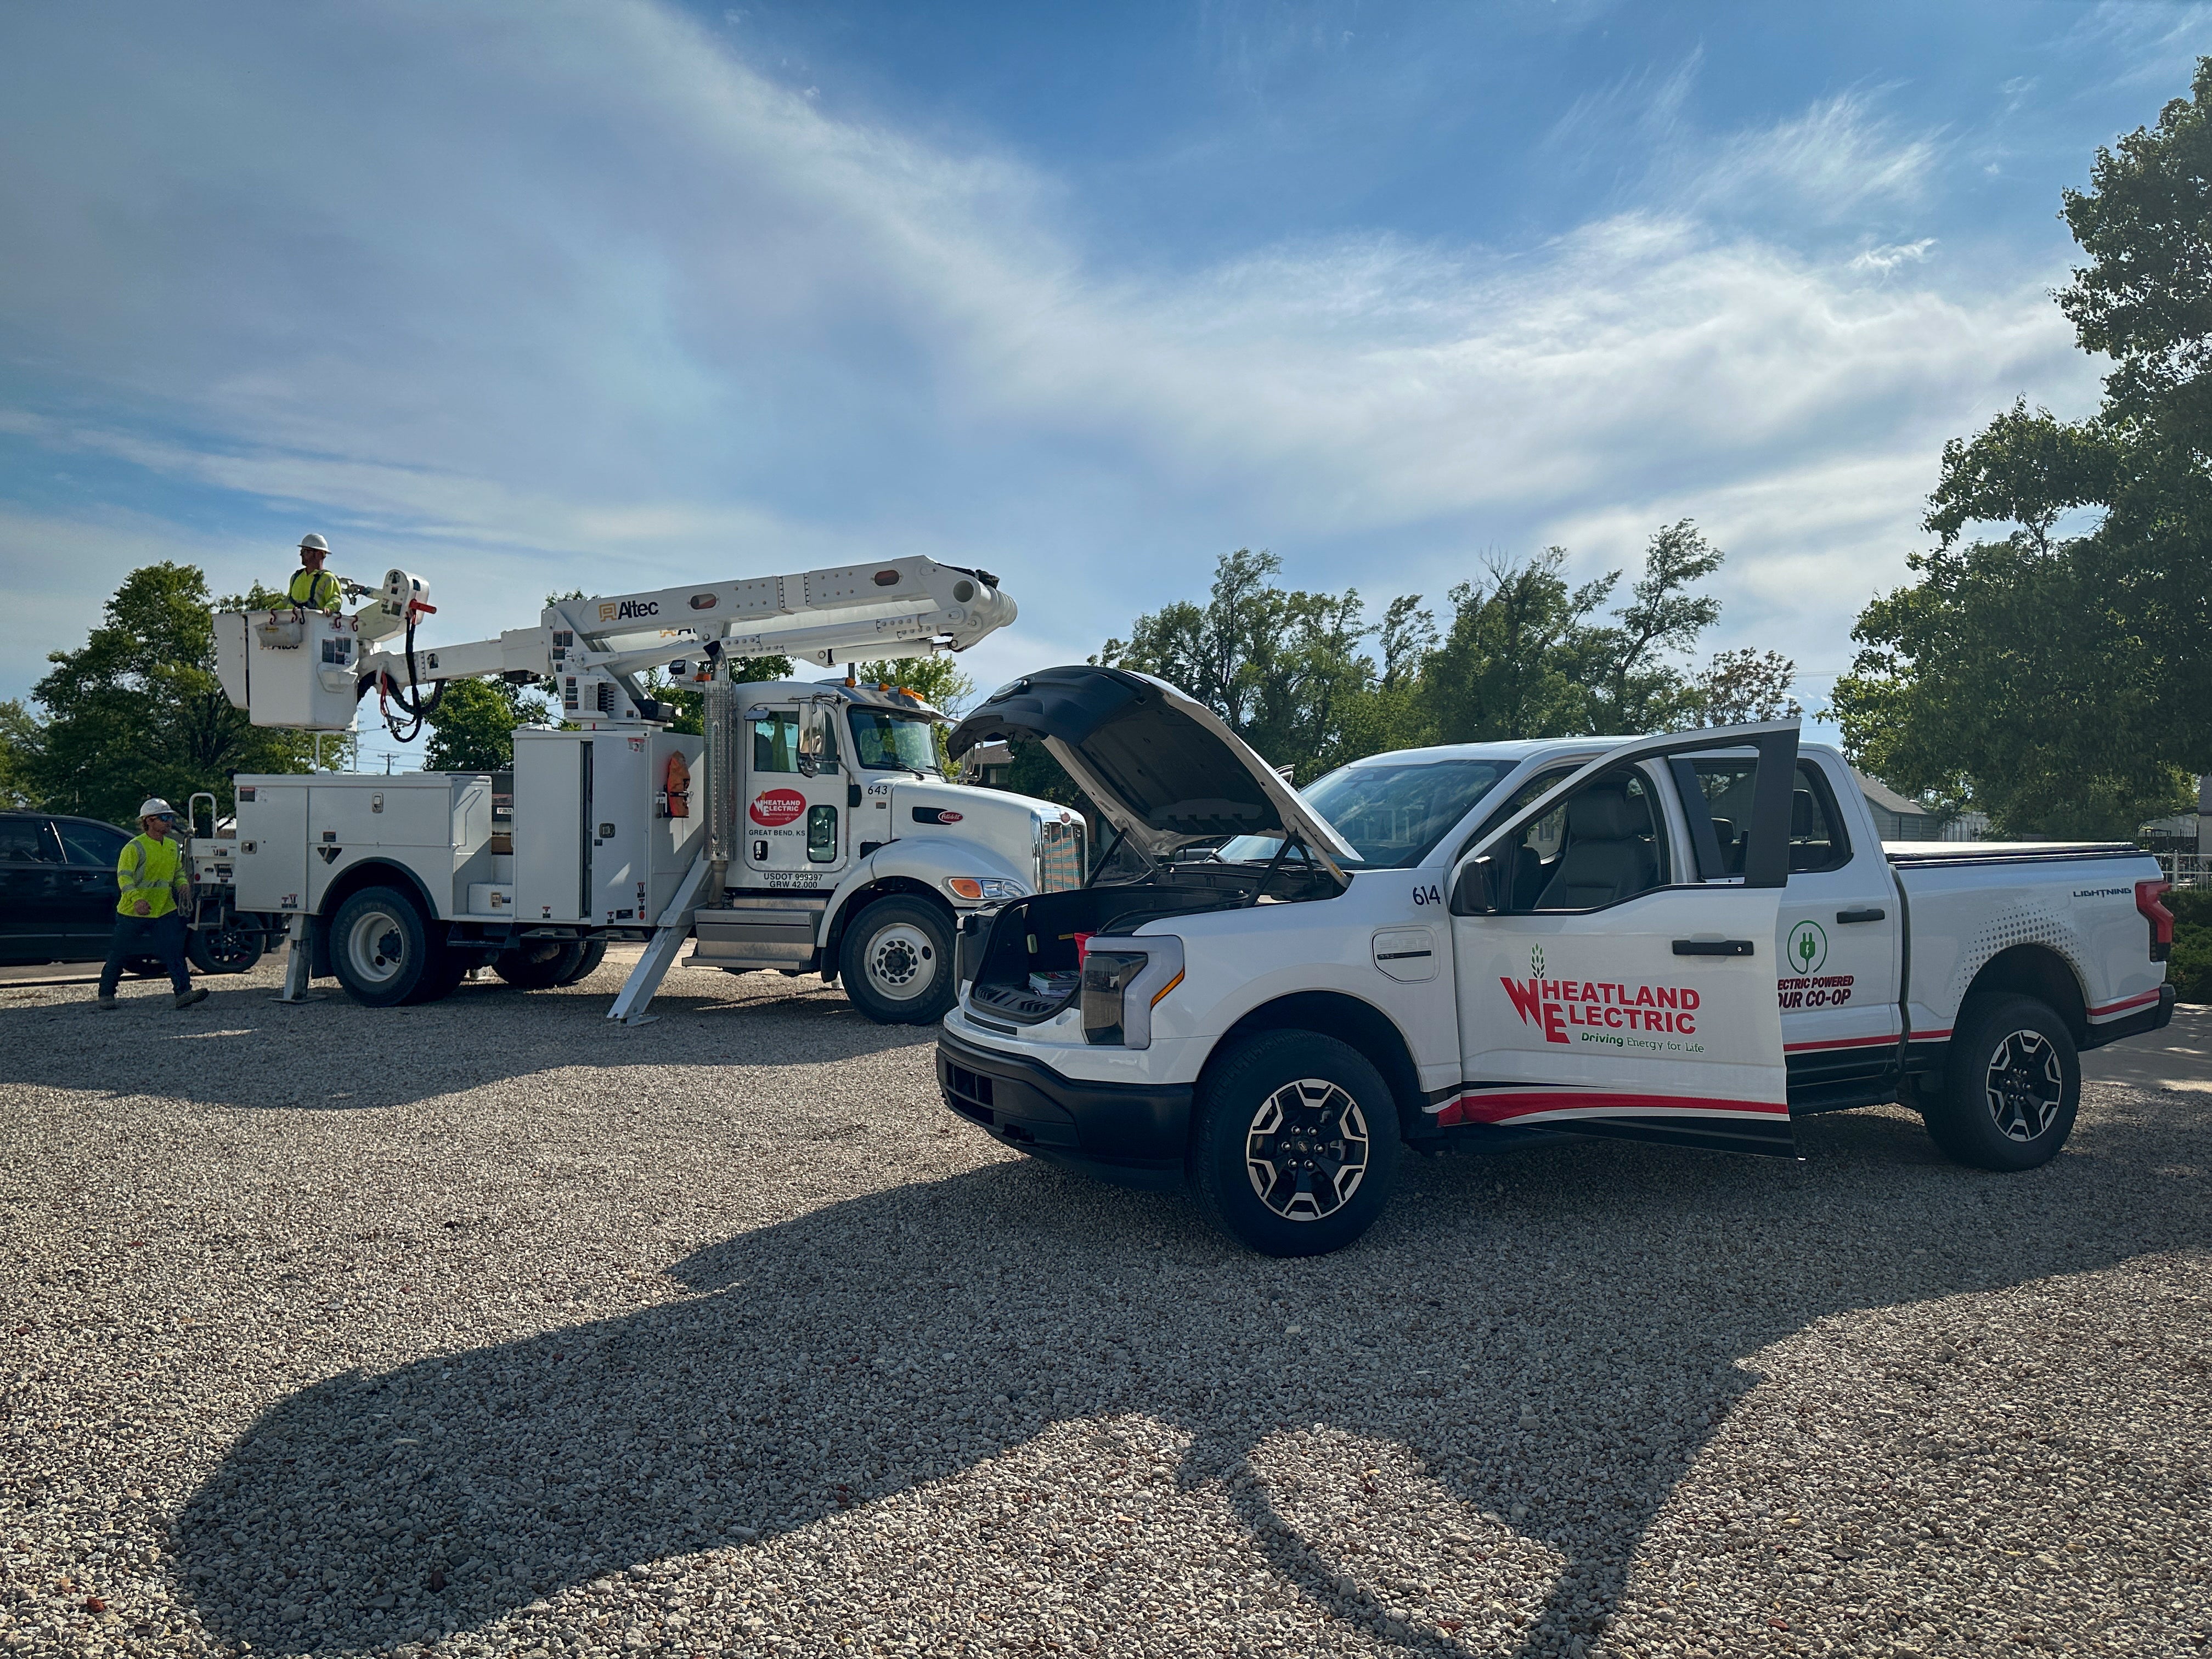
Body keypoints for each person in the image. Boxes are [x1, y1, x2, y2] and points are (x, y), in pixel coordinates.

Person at [97, 798, 208, 1011]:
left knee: (175, 952)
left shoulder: (173, 847)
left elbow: (177, 873)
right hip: (133, 911)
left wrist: (183, 885)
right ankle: (106, 993)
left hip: (164, 909)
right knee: (120, 954)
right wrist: (137, 901)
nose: (169, 822)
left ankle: (183, 993)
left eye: (171, 818)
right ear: (149, 821)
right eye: (165, 818)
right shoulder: (135, 848)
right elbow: (124, 878)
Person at [289, 533, 343, 614]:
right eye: (302, 551)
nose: (301, 554)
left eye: (305, 551)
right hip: (291, 624)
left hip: (315, 624)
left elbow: (336, 599)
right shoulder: (296, 577)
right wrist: (269, 611)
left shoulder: (328, 579)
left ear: (320, 554)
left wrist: (330, 608)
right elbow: (287, 601)